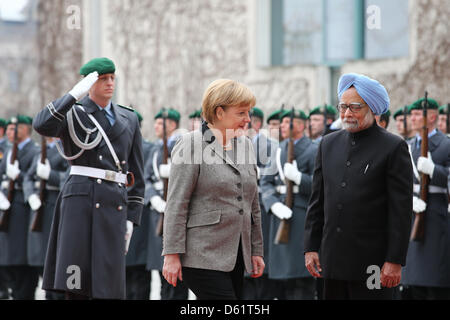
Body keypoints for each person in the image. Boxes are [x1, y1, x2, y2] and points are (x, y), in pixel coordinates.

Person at [33, 57, 145, 300]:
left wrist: (131, 219)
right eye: (103, 79)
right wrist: (72, 95)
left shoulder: (130, 118)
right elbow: (41, 125)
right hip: (80, 201)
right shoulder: (73, 113)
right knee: (77, 280)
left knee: (110, 282)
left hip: (114, 201)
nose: (109, 83)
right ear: (89, 83)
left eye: (112, 78)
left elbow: (136, 175)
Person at [304, 73, 413, 300]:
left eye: (354, 107)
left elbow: (400, 211)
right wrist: (311, 247)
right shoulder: (328, 144)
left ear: (372, 108)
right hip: (332, 260)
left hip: (373, 263)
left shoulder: (393, 147)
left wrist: (394, 261)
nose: (346, 114)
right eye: (342, 107)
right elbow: (318, 202)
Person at [162, 79, 265, 300]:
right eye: (241, 113)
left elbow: (252, 203)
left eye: (249, 113)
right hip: (201, 255)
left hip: (236, 255)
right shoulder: (191, 144)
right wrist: (171, 254)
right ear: (219, 112)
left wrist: (256, 250)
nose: (248, 119)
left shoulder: (245, 144)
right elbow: (177, 203)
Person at [260, 109, 318, 300]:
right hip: (280, 215)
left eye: (287, 122)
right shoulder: (277, 150)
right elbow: (266, 182)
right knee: (282, 283)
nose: (282, 126)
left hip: (301, 216)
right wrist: (272, 204)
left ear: (300, 126)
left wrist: (300, 178)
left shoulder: (313, 149)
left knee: (300, 279)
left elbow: (321, 186)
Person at [401, 97, 450, 300]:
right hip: (413, 216)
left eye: (416, 115)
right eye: (410, 115)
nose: (411, 119)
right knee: (415, 285)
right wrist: (408, 199)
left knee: (435, 285)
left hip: (437, 219)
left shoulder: (446, 144)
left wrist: (434, 170)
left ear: (431, 117)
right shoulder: (407, 146)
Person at [144, 107, 189, 300]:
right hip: (158, 214)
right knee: (162, 276)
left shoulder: (183, 145)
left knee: (178, 279)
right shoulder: (155, 148)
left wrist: (174, 172)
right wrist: (153, 198)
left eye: (160, 123)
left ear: (172, 125)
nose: (156, 126)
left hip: (177, 215)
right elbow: (146, 179)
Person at [0, 115, 40, 299]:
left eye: (16, 128)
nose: (11, 132)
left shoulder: (34, 151)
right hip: (7, 207)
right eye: (9, 128)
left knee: (22, 260)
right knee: (8, 259)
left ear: (26, 129)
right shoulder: (8, 151)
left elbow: (36, 180)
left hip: (23, 209)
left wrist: (19, 176)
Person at [23, 136, 68, 300]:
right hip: (39, 206)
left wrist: (51, 175)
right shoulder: (40, 152)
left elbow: (70, 177)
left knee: (55, 261)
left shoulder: (65, 150)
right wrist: (30, 195)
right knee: (41, 260)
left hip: (55, 205)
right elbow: (29, 177)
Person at [125, 110, 153, 300]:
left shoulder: (149, 149)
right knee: (122, 273)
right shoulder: (116, 145)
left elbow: (145, 178)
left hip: (139, 210)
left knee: (140, 274)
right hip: (119, 209)